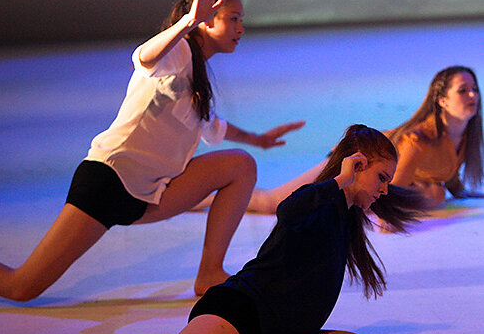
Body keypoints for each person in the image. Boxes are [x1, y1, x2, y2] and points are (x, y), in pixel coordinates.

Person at [2, 124, 427, 334]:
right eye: (380, 178)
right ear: (356, 165)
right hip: (238, 314)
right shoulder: (320, 202)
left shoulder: (346, 217)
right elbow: (287, 210)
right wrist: (339, 180)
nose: (384, 189)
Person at [0, 0, 303, 300]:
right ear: (207, 20)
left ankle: (210, 272)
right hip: (108, 181)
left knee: (240, 164)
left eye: (241, 19)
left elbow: (213, 126)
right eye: (233, 18)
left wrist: (258, 139)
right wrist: (187, 22)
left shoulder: (196, 71)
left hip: (152, 192)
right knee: (22, 286)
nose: (241, 27)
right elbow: (143, 58)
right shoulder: (179, 50)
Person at [195, 66, 483, 214]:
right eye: (463, 90)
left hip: (363, 177)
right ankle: (197, 196)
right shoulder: (416, 140)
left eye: (475, 89)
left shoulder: (465, 135)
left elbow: (446, 170)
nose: (473, 95)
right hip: (349, 163)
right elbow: (388, 196)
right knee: (271, 204)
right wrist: (430, 196)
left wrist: (452, 191)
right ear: (442, 100)